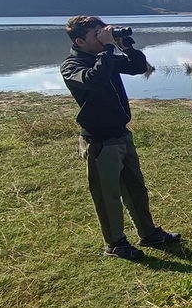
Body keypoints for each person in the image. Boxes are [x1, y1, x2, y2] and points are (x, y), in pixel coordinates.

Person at [60, 15, 181, 261]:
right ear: (81, 41)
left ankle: (148, 233)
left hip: (121, 134)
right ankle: (115, 243)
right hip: (100, 140)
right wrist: (107, 49)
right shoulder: (72, 65)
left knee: (136, 188)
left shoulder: (103, 57)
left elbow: (137, 67)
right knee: (108, 195)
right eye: (98, 34)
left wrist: (125, 46)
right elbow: (94, 81)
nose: (104, 37)